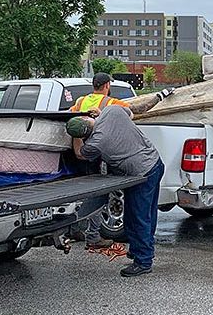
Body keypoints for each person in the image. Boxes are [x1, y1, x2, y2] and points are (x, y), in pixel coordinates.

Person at [69, 72, 173, 250]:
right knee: (141, 214)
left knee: (131, 211)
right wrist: (161, 95)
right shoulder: (112, 106)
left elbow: (71, 123)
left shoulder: (80, 102)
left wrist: (76, 134)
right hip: (137, 163)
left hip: (94, 159)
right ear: (107, 86)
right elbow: (136, 111)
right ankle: (141, 251)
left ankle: (139, 251)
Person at [66, 105, 165, 277]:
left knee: (137, 218)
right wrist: (99, 114)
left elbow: (80, 154)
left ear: (84, 135)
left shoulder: (96, 142)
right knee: (147, 213)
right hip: (154, 162)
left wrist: (75, 138)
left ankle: (143, 261)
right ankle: (139, 249)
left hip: (140, 173)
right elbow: (131, 114)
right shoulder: (112, 111)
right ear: (87, 118)